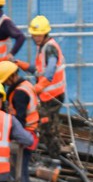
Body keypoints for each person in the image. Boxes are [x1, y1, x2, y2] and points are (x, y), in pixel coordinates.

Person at [0, 59, 38, 182]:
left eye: (5, 80)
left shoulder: (19, 93)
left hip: (25, 135)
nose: (5, 84)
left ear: (12, 76)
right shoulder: (25, 85)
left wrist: (9, 134)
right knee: (21, 171)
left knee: (19, 172)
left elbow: (19, 120)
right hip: (31, 132)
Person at [26, 15, 65, 157]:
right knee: (45, 125)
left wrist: (37, 88)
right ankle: (49, 154)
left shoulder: (50, 48)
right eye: (34, 34)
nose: (35, 37)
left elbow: (49, 73)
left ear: (45, 33)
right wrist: (23, 65)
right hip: (48, 95)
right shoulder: (43, 47)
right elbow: (41, 71)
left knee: (48, 126)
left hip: (53, 96)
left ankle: (55, 157)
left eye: (38, 34)